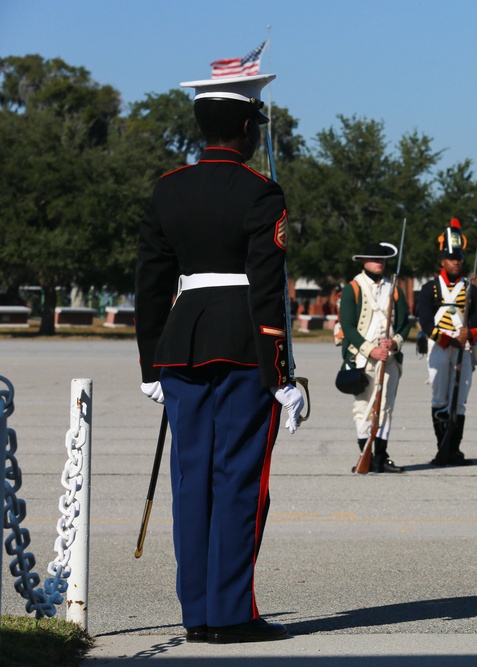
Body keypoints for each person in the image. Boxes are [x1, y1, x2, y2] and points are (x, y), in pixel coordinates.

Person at [135, 74, 302, 644]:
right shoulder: (261, 193)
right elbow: (266, 289)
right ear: (247, 131)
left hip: (180, 348)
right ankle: (232, 615)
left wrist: (149, 367)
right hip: (242, 351)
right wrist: (282, 374)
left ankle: (198, 614)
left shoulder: (167, 189)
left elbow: (151, 287)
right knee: (238, 483)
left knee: (192, 482)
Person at [415, 218, 477, 465]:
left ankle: (455, 449)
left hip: (464, 349)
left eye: (459, 258)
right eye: (452, 258)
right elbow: (425, 322)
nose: (456, 262)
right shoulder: (430, 289)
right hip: (440, 348)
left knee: (460, 399)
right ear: (442, 260)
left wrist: (470, 334)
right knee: (440, 398)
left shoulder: (471, 289)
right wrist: (447, 340)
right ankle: (441, 447)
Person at [339, 241, 411, 473]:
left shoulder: (395, 289)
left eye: (381, 260)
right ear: (363, 261)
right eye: (373, 259)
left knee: (386, 407)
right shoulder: (353, 288)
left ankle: (380, 456)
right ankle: (365, 453)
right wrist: (370, 349)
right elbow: (348, 326)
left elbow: (403, 324)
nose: (378, 263)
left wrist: (395, 343)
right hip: (362, 358)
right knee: (363, 407)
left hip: (388, 358)